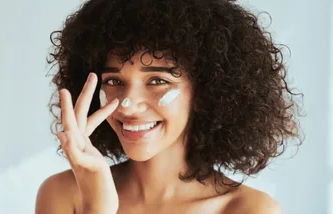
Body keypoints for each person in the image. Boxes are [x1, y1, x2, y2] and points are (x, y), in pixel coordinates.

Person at [35, 0, 303, 213]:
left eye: (156, 80)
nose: (128, 105)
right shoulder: (64, 194)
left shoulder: (248, 210)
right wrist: (97, 207)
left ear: (205, 90)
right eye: (114, 80)